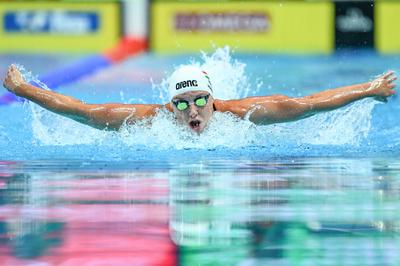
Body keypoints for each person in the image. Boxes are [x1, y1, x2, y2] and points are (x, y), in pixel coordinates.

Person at [2, 64, 397, 133]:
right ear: (168, 105)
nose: (192, 110)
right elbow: (82, 110)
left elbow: (309, 103)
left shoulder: (245, 114)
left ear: (213, 98)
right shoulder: (145, 120)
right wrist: (23, 91)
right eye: (181, 103)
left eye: (199, 100)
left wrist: (370, 89)